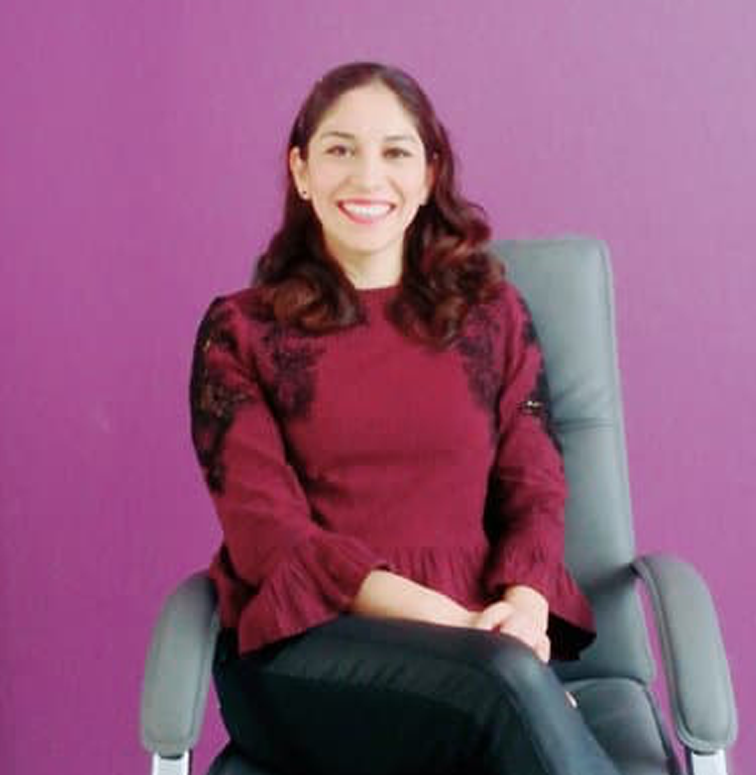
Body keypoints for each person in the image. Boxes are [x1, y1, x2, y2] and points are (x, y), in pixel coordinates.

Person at [189, 61, 622, 775]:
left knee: (504, 692)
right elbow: (273, 541)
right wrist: (479, 639)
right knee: (503, 688)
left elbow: (536, 487)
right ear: (301, 171)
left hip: (487, 645)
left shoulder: (493, 315)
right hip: (311, 651)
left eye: (395, 152)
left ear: (428, 175)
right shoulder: (239, 333)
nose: (368, 176)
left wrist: (523, 609)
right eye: (340, 149)